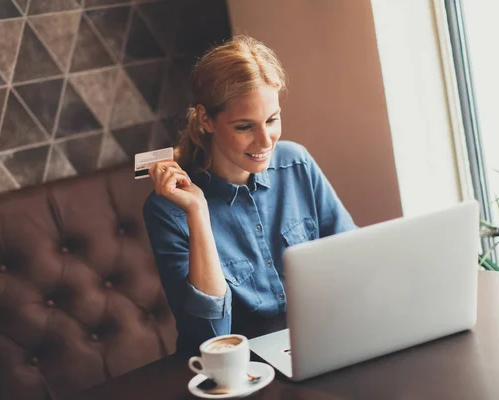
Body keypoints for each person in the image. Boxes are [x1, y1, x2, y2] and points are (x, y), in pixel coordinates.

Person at [143, 35, 356, 352]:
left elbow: (353, 262)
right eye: (244, 127)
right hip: (236, 367)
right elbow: (210, 337)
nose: (265, 141)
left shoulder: (296, 163)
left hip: (316, 345)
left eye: (272, 120)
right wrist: (198, 214)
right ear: (206, 119)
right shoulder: (169, 211)